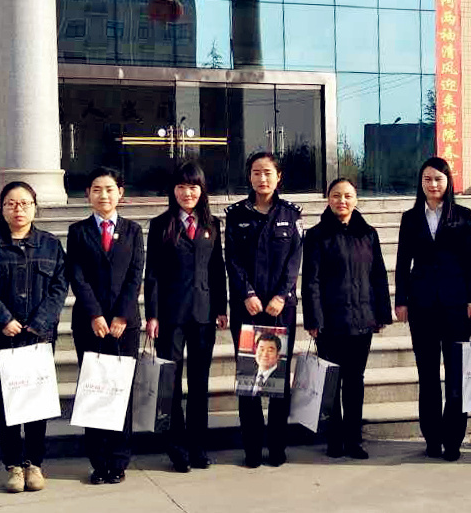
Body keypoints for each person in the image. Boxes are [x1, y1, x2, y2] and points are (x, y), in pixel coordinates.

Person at [0, 182, 67, 493]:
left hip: (40, 337)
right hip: (4, 338)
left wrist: (40, 322)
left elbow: (59, 288)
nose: (18, 209)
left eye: (24, 203)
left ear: (35, 207)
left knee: (37, 400)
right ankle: (13, 465)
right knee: (9, 400)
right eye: (11, 203)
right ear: (1, 208)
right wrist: (3, 319)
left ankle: (34, 463)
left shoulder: (51, 245)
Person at [395, 157, 471, 462]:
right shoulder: (410, 217)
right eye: (427, 179)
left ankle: (453, 439)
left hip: (457, 306)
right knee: (428, 376)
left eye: (438, 179)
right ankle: (432, 438)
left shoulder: (463, 215)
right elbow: (402, 262)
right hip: (421, 306)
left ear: (448, 182)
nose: (433, 185)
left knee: (456, 376)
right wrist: (401, 300)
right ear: (421, 183)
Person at [144, 161, 228, 473]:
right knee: (171, 381)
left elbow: (217, 268)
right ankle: (176, 448)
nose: (187, 192)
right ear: (173, 190)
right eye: (181, 187)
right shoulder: (160, 224)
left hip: (204, 314)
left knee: (199, 382)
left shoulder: (212, 224)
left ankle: (198, 447)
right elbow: (152, 273)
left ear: (202, 190)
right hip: (170, 315)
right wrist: (152, 315)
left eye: (193, 186)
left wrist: (221, 308)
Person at [302, 177, 392, 460]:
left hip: (362, 320)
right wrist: (313, 320)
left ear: (356, 200)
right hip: (329, 321)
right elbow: (311, 281)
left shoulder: (368, 234)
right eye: (336, 195)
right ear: (328, 199)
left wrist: (381, 313)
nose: (342, 201)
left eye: (347, 196)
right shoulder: (317, 235)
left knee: (354, 381)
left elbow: (378, 275)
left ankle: (354, 439)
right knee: (331, 381)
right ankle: (334, 438)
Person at [65, 167, 145, 485]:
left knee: (120, 391)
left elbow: (135, 275)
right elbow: (77, 276)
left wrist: (121, 316)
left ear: (120, 193)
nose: (104, 195)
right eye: (97, 189)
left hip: (126, 326)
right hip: (90, 324)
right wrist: (95, 314)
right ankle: (98, 462)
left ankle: (119, 460)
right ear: (88, 194)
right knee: (94, 390)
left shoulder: (133, 230)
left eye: (110, 189)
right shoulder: (78, 231)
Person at [225, 151, 303, 468]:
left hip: (280, 308)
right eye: (256, 172)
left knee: (278, 379)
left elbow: (295, 259)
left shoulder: (291, 214)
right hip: (248, 308)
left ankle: (278, 447)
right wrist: (247, 293)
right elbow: (232, 259)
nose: (262, 178)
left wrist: (281, 296)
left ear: (278, 176)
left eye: (268, 172)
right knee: (250, 380)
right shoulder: (236, 215)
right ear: (249, 177)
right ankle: (253, 449)